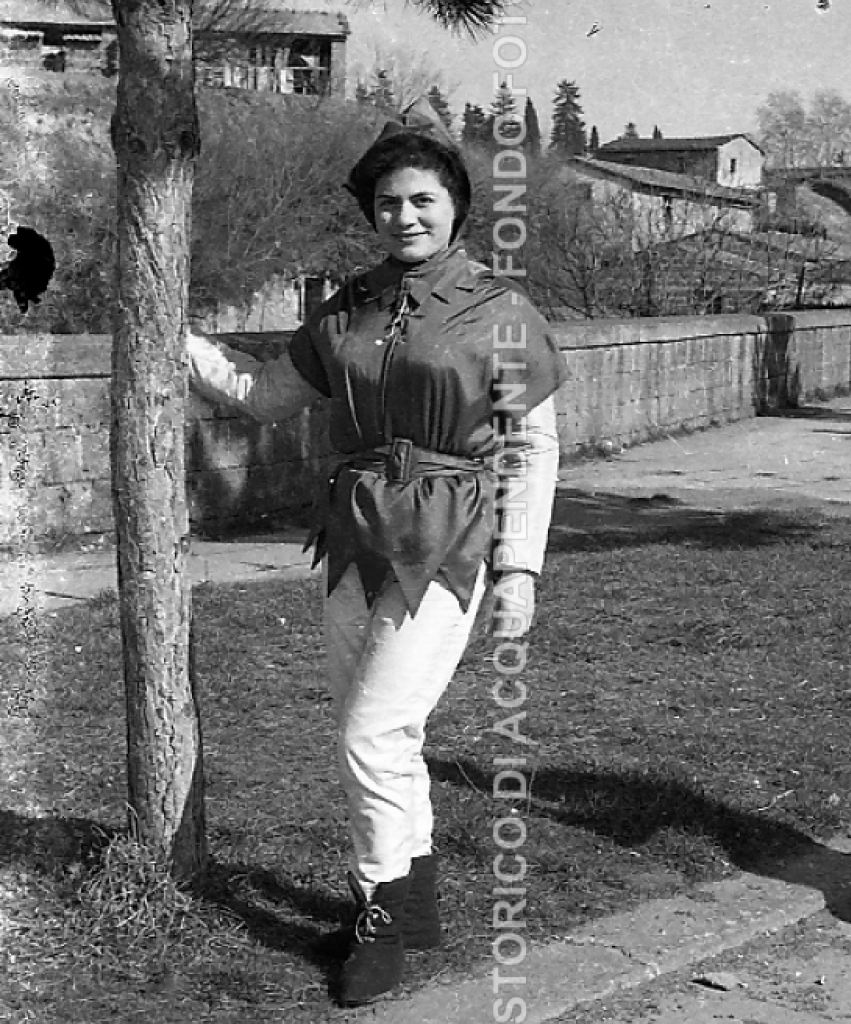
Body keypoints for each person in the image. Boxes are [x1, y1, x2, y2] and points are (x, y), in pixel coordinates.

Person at [186, 100, 568, 1004]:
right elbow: (266, 396)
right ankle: (419, 900)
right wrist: (175, 339)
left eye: (423, 200)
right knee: (386, 737)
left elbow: (534, 446)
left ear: (456, 206)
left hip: (451, 538)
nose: (405, 216)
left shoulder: (500, 310)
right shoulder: (349, 306)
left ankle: (377, 919)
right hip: (355, 537)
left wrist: (520, 569)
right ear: (373, 213)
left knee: (373, 734)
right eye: (389, 203)